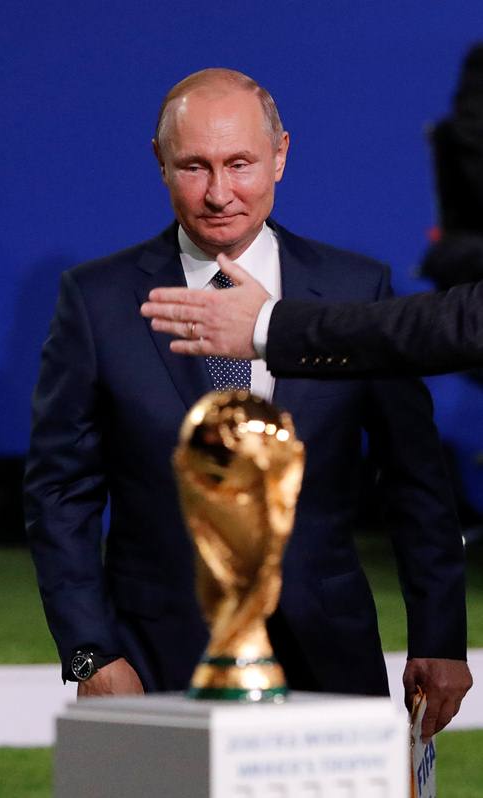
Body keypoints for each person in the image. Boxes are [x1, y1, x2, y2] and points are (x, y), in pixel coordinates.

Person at [25, 68, 471, 739]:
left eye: (239, 164)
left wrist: (439, 636)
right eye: (193, 167)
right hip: (155, 656)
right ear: (159, 162)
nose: (217, 194)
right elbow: (60, 493)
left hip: (328, 653)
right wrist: (91, 654)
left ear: (281, 155)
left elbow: (416, 480)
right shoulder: (96, 301)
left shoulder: (356, 290)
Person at [140, 260, 483, 376]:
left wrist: (268, 326)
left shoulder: (363, 280)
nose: (219, 196)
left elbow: (461, 324)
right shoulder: (100, 292)